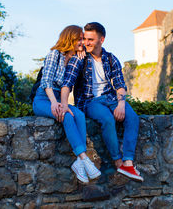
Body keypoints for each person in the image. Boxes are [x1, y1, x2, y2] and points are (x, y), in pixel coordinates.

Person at [60, 22, 143, 182]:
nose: (86, 43)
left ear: (101, 39)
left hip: (111, 98)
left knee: (132, 118)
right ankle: (118, 162)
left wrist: (120, 104)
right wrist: (64, 104)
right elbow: (67, 83)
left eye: (90, 39)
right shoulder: (80, 58)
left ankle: (128, 162)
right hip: (90, 101)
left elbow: (120, 85)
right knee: (107, 119)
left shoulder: (111, 58)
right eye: (85, 39)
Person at [33, 25, 101, 183]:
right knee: (66, 116)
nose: (82, 41)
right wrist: (54, 103)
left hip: (58, 98)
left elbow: (69, 86)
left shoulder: (74, 58)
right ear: (70, 38)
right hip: (44, 98)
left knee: (79, 114)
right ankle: (84, 158)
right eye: (79, 38)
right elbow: (46, 81)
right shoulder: (54, 54)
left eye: (82, 38)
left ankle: (79, 163)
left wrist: (78, 59)